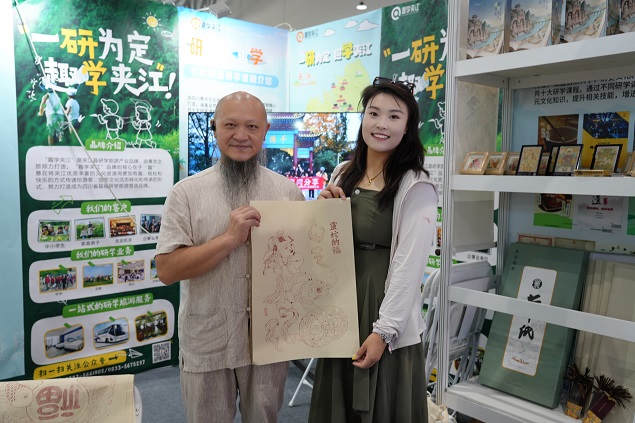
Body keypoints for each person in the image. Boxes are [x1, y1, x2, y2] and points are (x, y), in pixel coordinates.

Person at [155, 91, 305, 423]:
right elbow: (166, 270)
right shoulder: (186, 193)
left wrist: (328, 213)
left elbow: (301, 265)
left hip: (269, 342)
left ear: (265, 131)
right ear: (214, 127)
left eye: (252, 126)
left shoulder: (288, 193)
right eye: (230, 125)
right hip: (208, 340)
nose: (241, 135)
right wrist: (228, 239)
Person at [309, 77, 438, 423]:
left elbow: (409, 266)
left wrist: (383, 332)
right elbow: (323, 247)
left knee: (382, 405)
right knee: (337, 404)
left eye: (394, 116)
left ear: (408, 127)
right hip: (340, 304)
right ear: (363, 117)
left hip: (384, 307)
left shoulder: (416, 185)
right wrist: (323, 212)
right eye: (374, 113)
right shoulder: (343, 173)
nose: (382, 124)